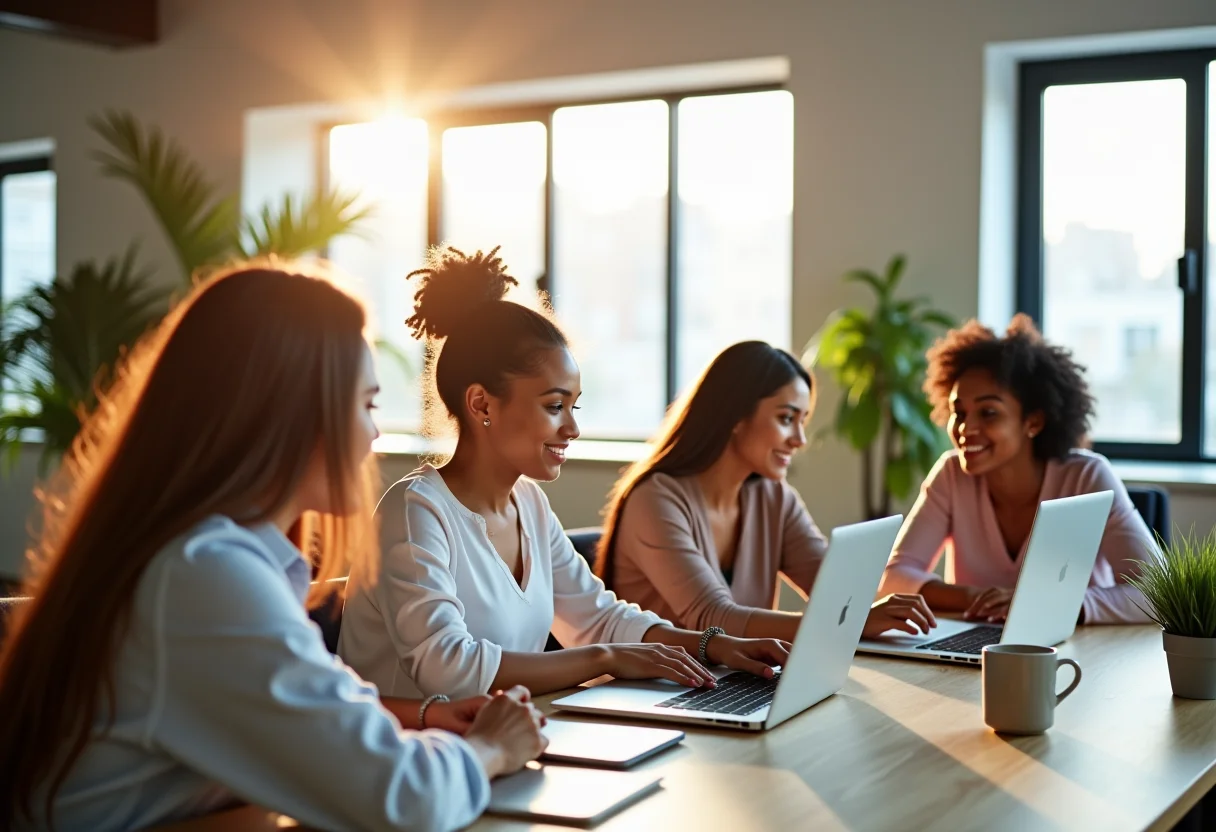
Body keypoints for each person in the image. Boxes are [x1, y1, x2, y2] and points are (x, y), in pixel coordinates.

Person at [0, 264, 546, 832]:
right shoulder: (202, 576)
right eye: (366, 404)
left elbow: (309, 707)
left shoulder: (209, 557)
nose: (373, 435)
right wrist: (490, 749)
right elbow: (404, 800)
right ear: (289, 411)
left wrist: (426, 718)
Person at [339, 247, 790, 699]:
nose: (572, 428)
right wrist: (606, 658)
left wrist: (716, 646)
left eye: (574, 407)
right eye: (554, 407)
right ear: (481, 404)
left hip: (506, 744)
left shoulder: (529, 503)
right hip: (415, 760)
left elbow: (600, 619)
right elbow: (448, 669)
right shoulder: (415, 511)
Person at [594, 340, 935, 642]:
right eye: (786, 419)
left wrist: (875, 607)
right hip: (654, 696)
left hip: (732, 685)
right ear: (735, 417)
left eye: (803, 421)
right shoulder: (656, 500)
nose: (800, 440)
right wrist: (847, 624)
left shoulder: (774, 498)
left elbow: (833, 588)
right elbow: (713, 620)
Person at [878, 314, 1156, 625]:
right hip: (980, 651)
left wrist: (1042, 603)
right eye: (959, 412)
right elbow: (893, 579)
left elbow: (1157, 594)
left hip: (1078, 653)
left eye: (988, 413)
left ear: (1032, 422)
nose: (965, 428)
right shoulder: (951, 475)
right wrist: (975, 598)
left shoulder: (1086, 477)